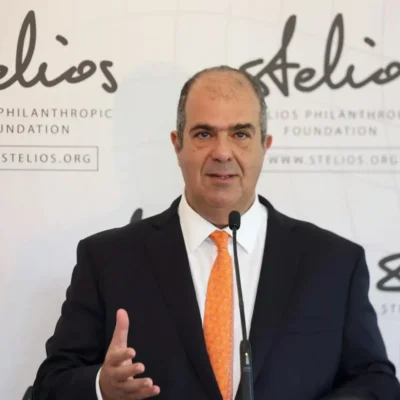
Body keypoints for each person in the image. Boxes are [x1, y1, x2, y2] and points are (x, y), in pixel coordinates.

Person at [32, 66, 400, 400]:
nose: (222, 152)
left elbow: (376, 381)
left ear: (264, 146)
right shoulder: (108, 260)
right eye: (204, 133)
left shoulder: (334, 262)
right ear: (177, 145)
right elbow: (51, 384)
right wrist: (101, 385)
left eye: (240, 134)